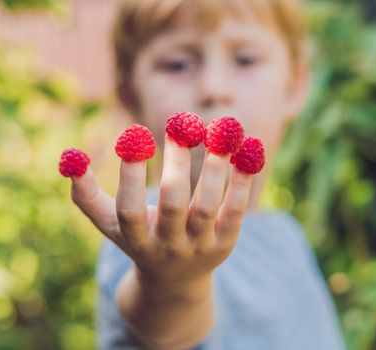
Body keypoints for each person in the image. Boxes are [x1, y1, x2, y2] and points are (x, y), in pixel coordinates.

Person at [69, 0, 346, 348]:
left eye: (245, 60)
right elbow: (167, 325)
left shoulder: (286, 236)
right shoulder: (146, 231)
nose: (215, 87)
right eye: (177, 64)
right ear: (130, 95)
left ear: (294, 86)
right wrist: (173, 284)